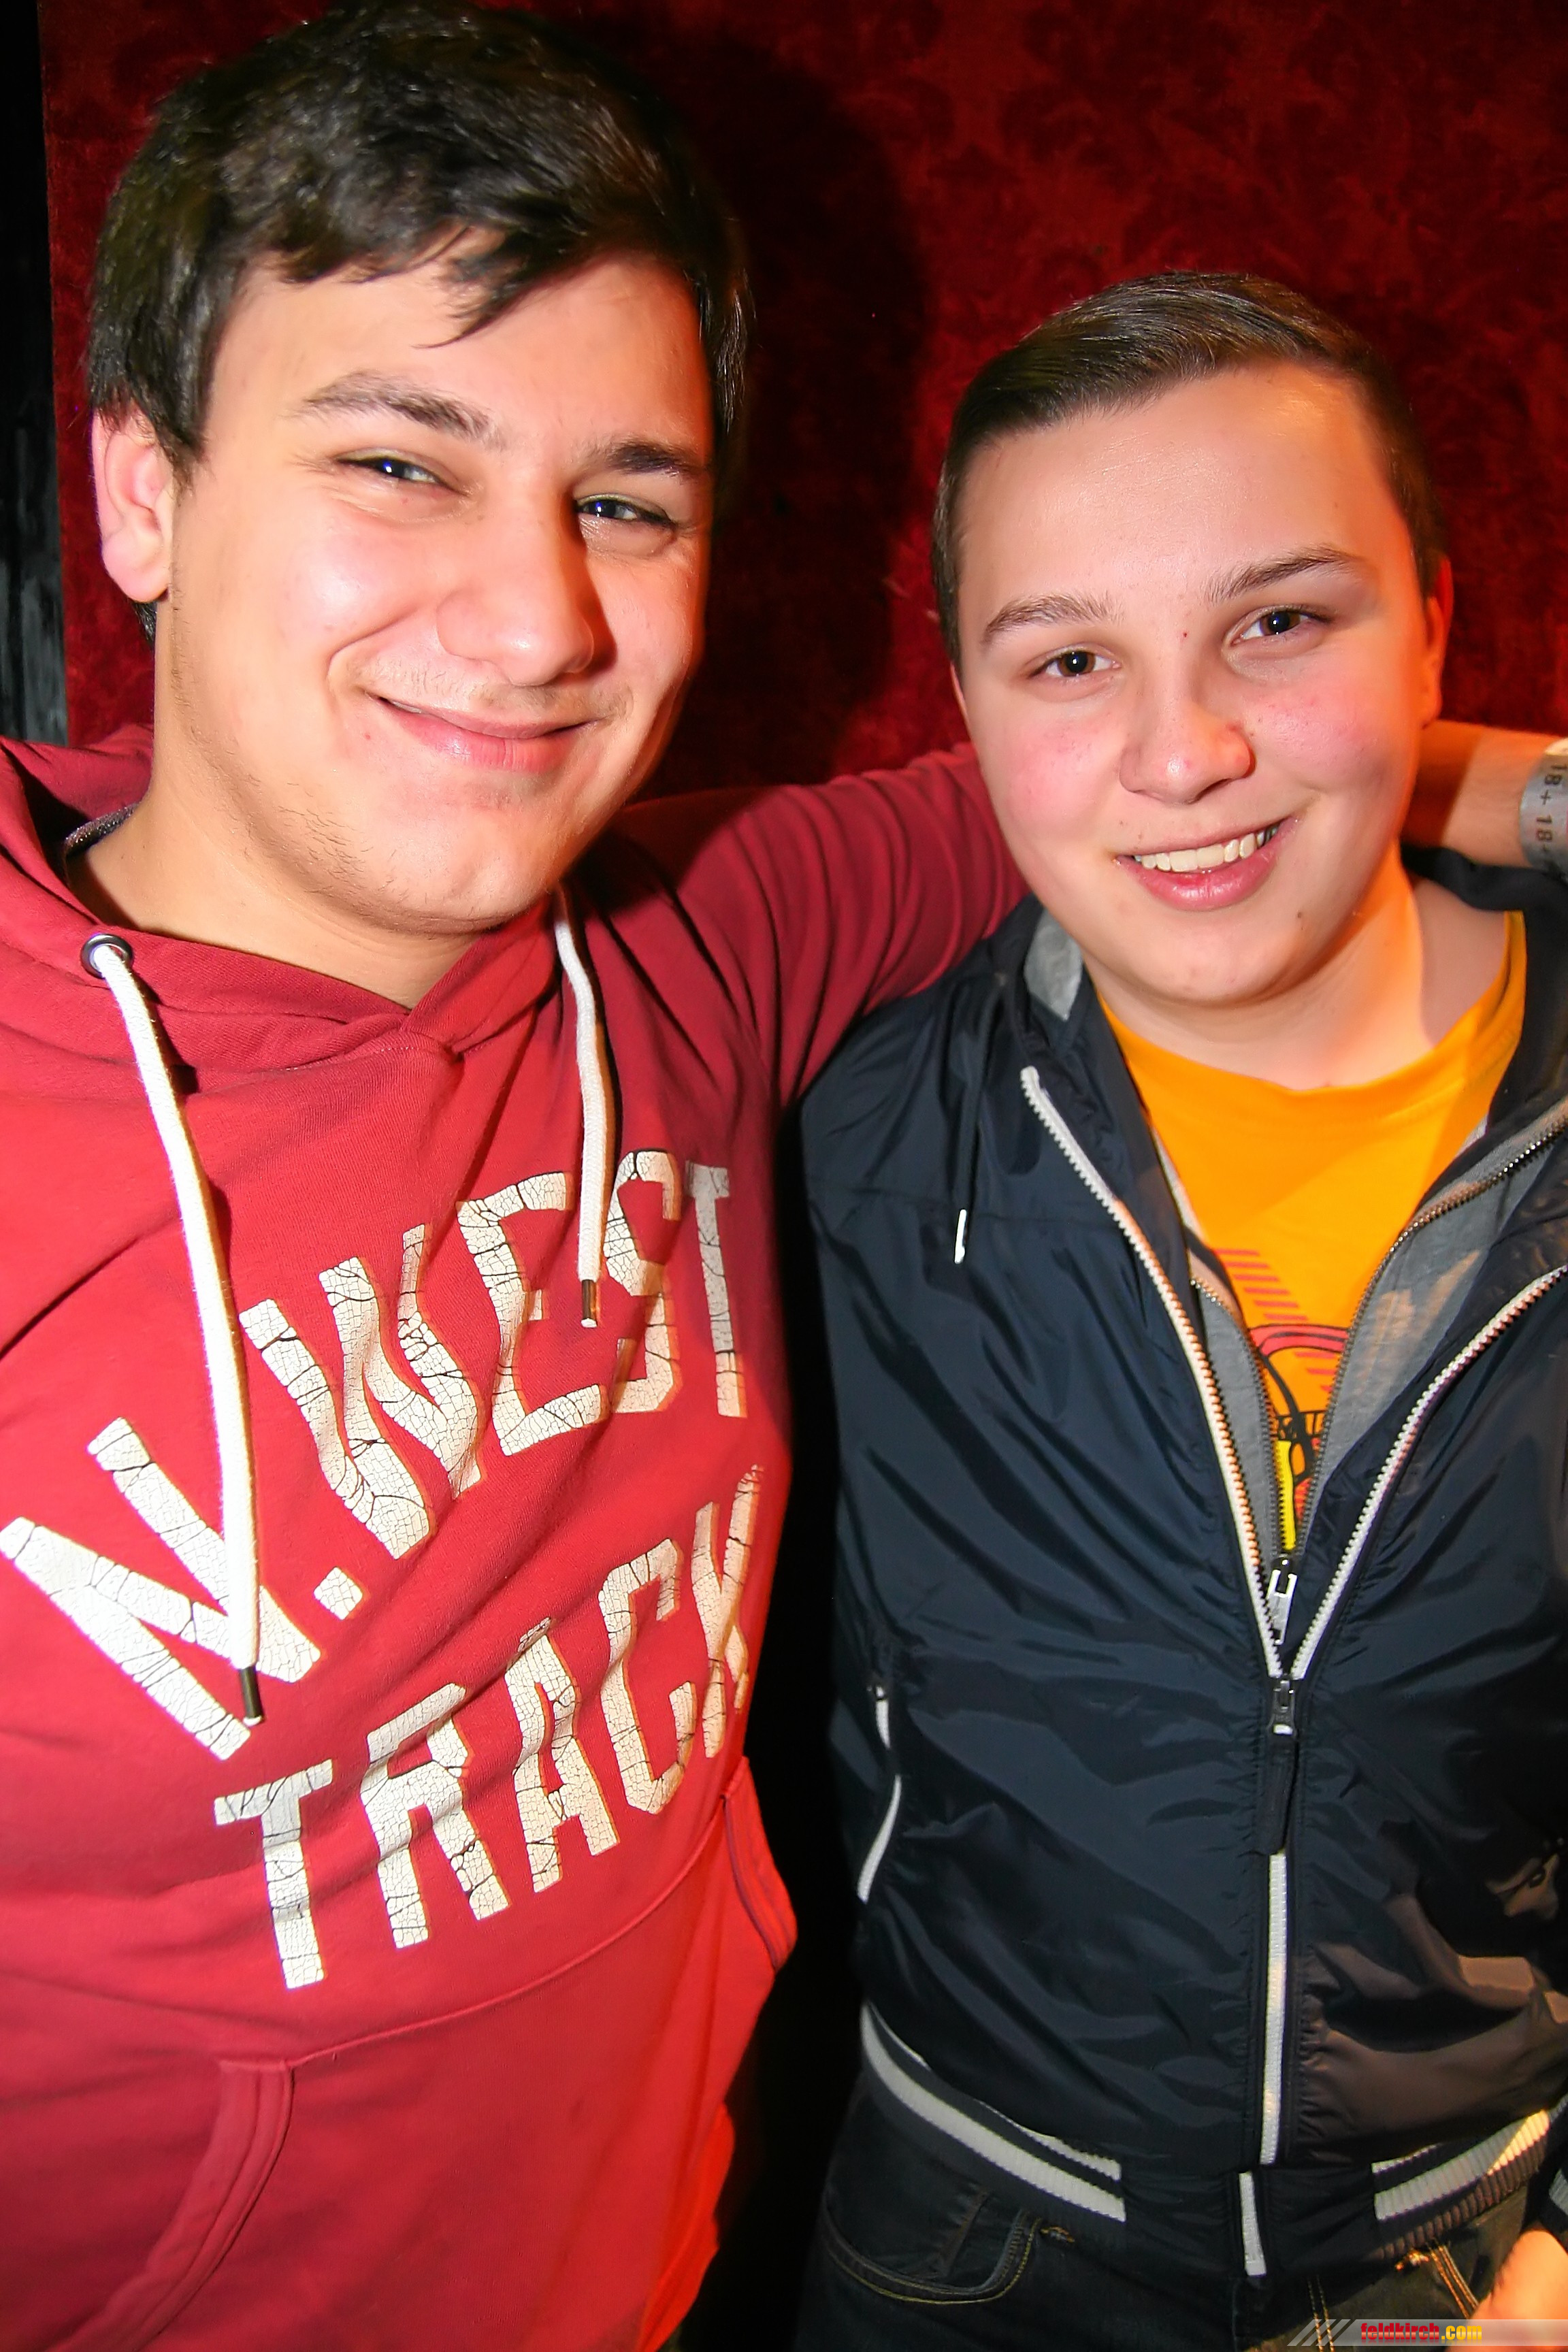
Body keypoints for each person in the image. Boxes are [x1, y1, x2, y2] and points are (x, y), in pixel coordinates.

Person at [0, 7, 1539, 2340]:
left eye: (625, 502)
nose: (540, 620)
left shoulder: (707, 949)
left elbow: (1166, 765)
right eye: (399, 463)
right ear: (141, 487)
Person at [796, 274, 1568, 2350]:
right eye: (1071, 658)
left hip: (1478, 2249)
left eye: (1281, 622)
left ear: (1436, 622)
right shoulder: (853, 1144)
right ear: (966, 706)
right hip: (963, 2248)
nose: (1184, 750)